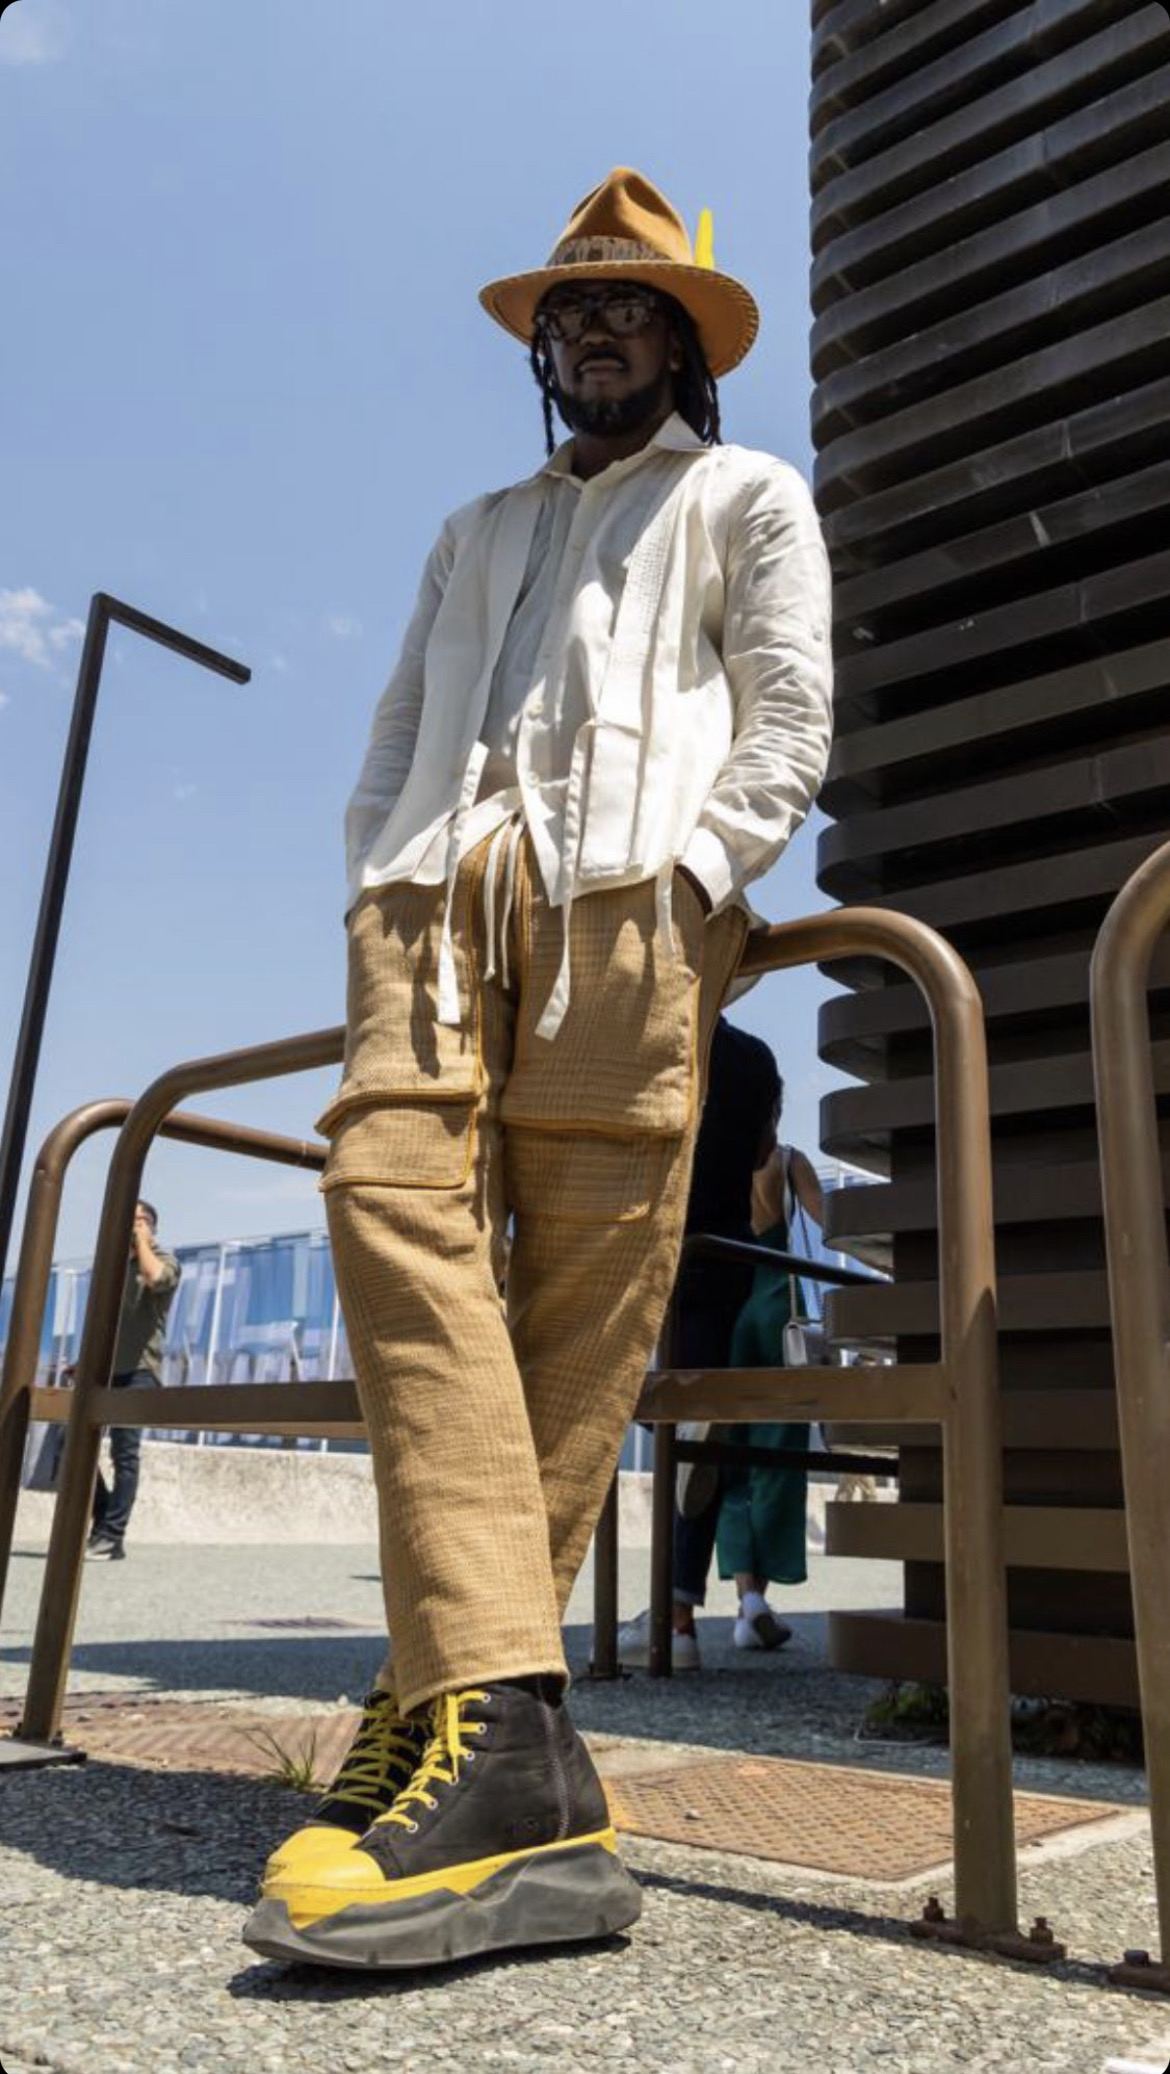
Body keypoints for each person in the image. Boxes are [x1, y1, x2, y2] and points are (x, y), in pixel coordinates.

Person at [244, 165, 833, 1972]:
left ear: (682, 338)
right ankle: (502, 1714)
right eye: (567, 308)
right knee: (381, 1192)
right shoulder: (474, 523)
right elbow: (401, 726)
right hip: (434, 903)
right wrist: (379, 869)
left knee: (581, 1313)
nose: (588, 328)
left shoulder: (747, 495)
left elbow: (793, 709)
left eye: (624, 305)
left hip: (624, 914)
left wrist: (694, 876)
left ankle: (457, 1726)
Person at [615, 1017, 781, 1672]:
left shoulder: (658, 1038)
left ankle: (671, 1620)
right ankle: (676, 1610)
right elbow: (763, 1150)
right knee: (703, 1438)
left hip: (667, 1251)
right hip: (731, 1251)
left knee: (675, 1435)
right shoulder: (756, 1055)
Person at [84, 1199, 180, 1562]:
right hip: (104, 1369)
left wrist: (142, 1240)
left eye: (141, 1220)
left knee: (124, 1453)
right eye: (130, 1219)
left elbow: (155, 1278)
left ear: (153, 1226)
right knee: (72, 1446)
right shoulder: (113, 1268)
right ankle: (103, 1519)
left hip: (140, 1371)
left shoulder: (165, 1260)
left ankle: (112, 1535)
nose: (133, 1225)